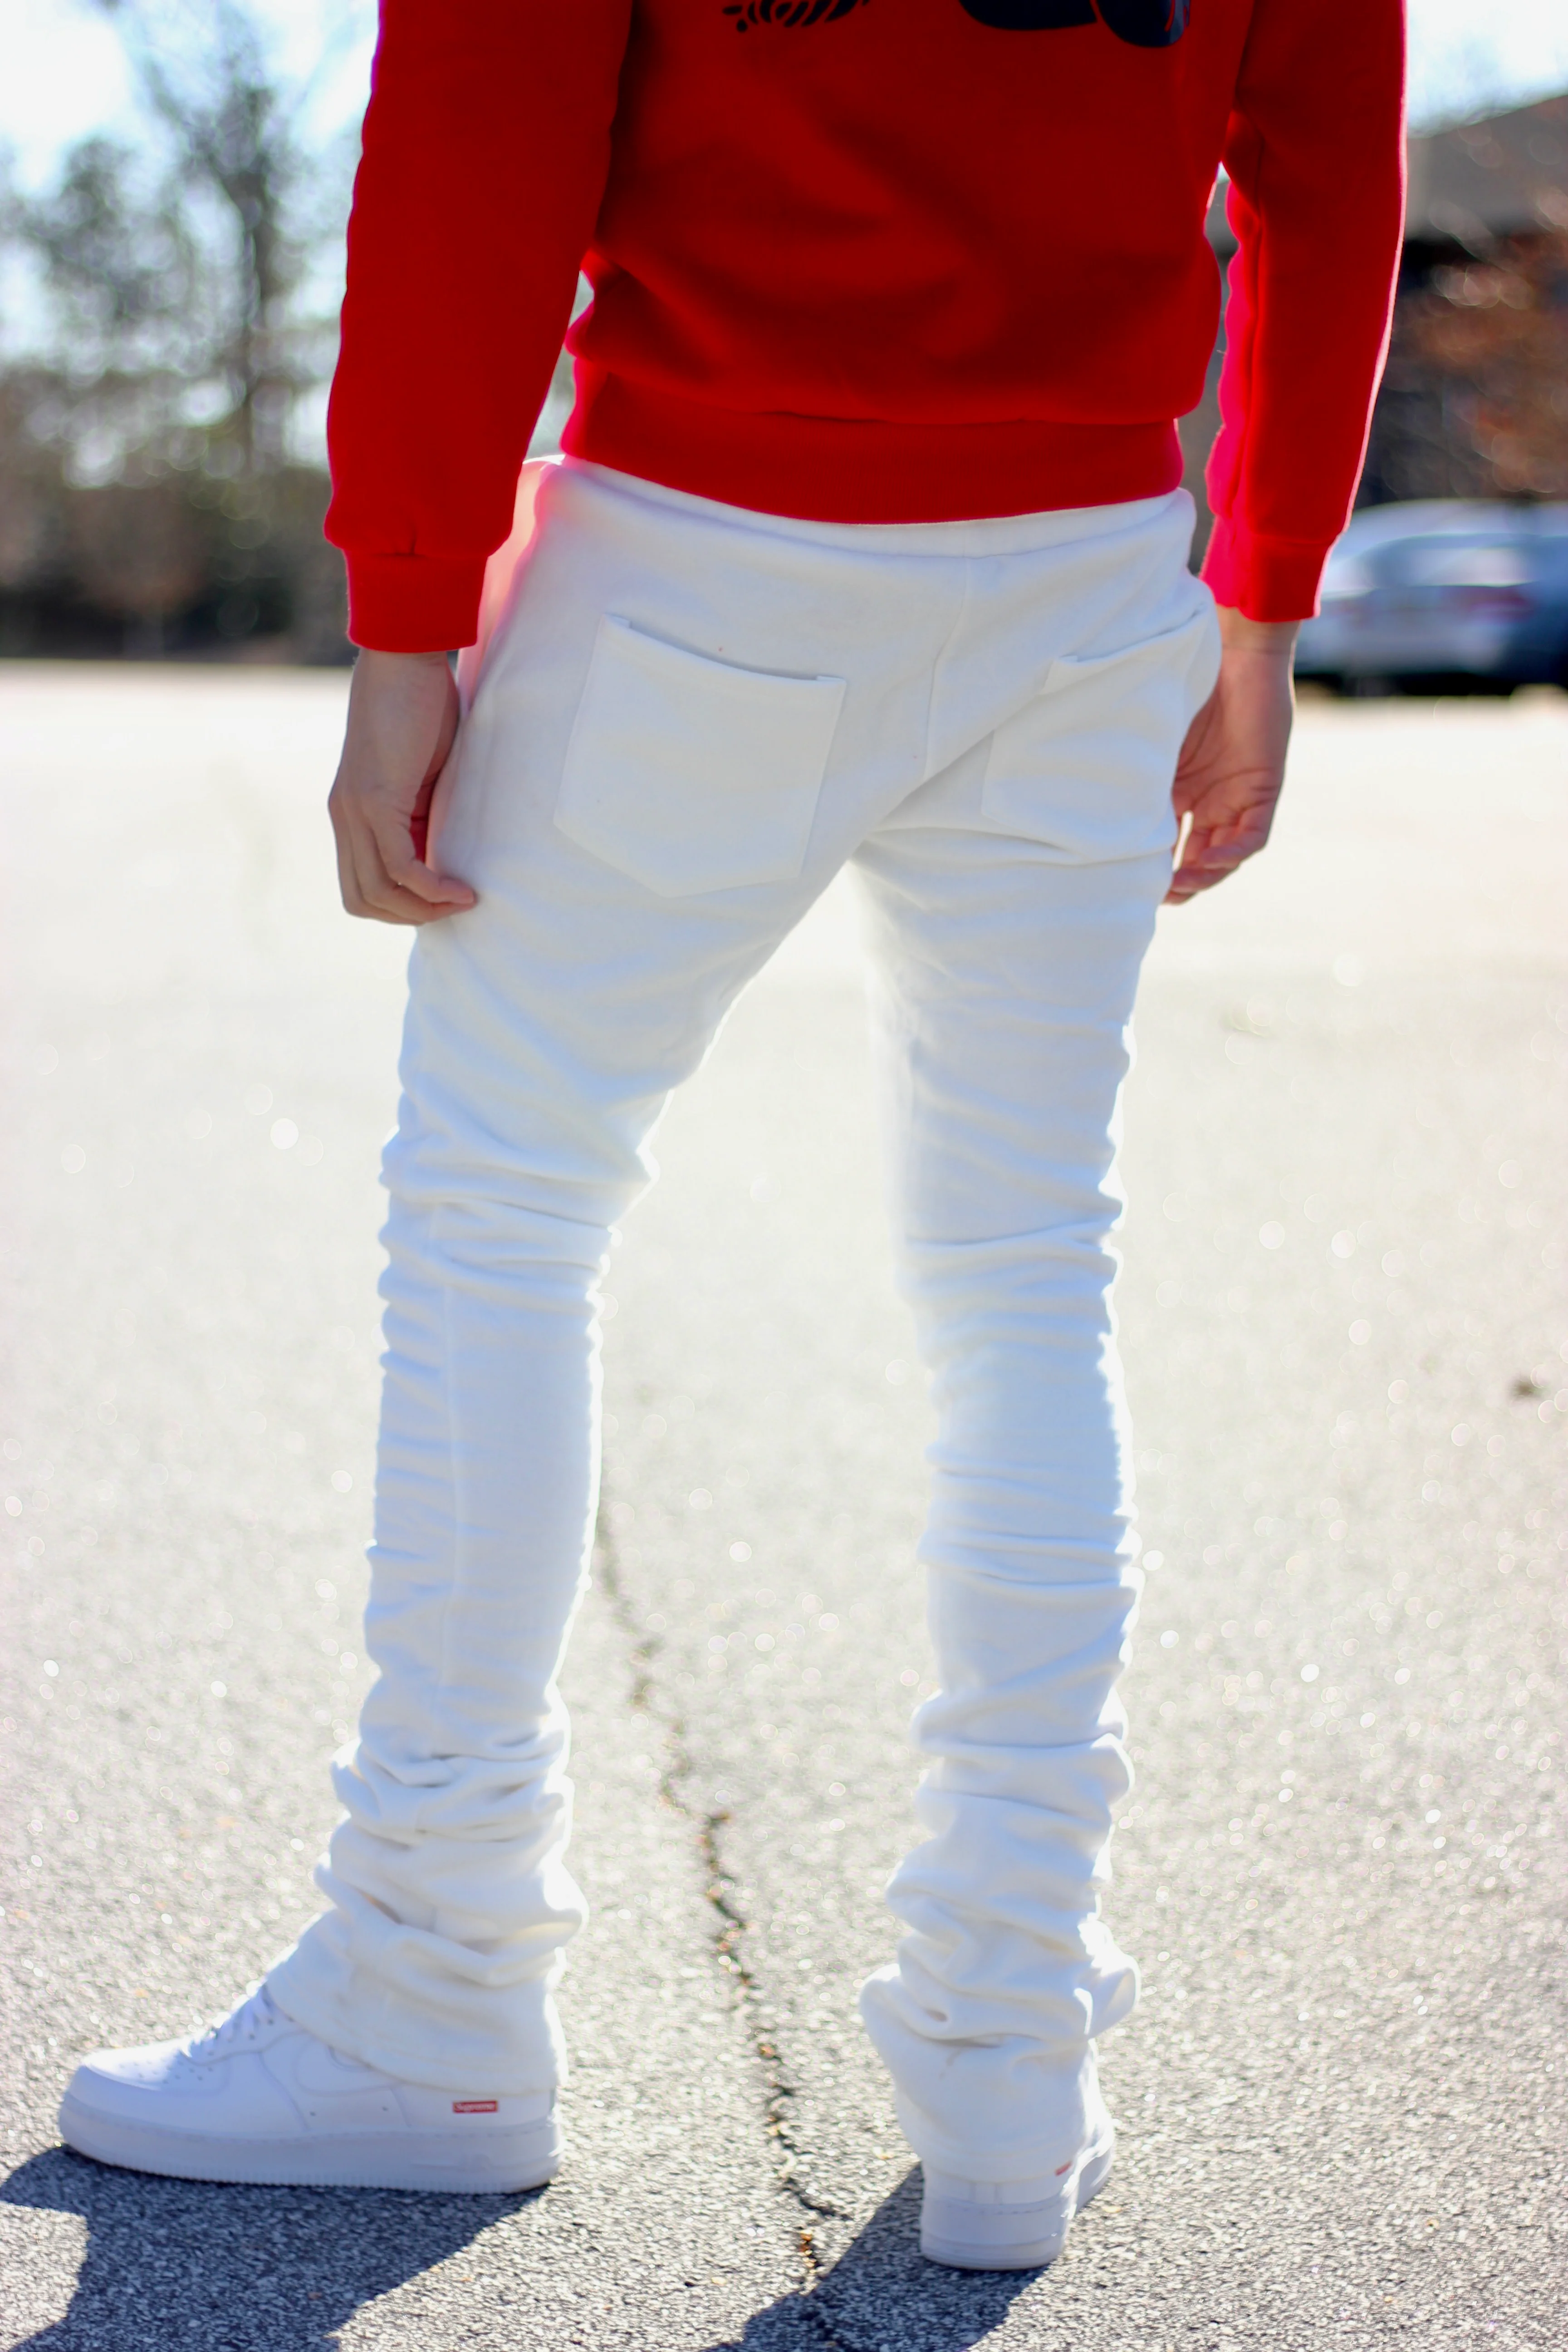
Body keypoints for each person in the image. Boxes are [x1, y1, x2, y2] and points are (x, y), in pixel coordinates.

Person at [59, 0, 1405, 2271]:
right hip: (1088, 571)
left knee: (500, 1215)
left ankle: (431, 1988)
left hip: (704, 542)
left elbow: (478, 123)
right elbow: (1335, 148)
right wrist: (1264, 586)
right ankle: (1009, 2050)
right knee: (1021, 1276)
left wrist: (408, 608)